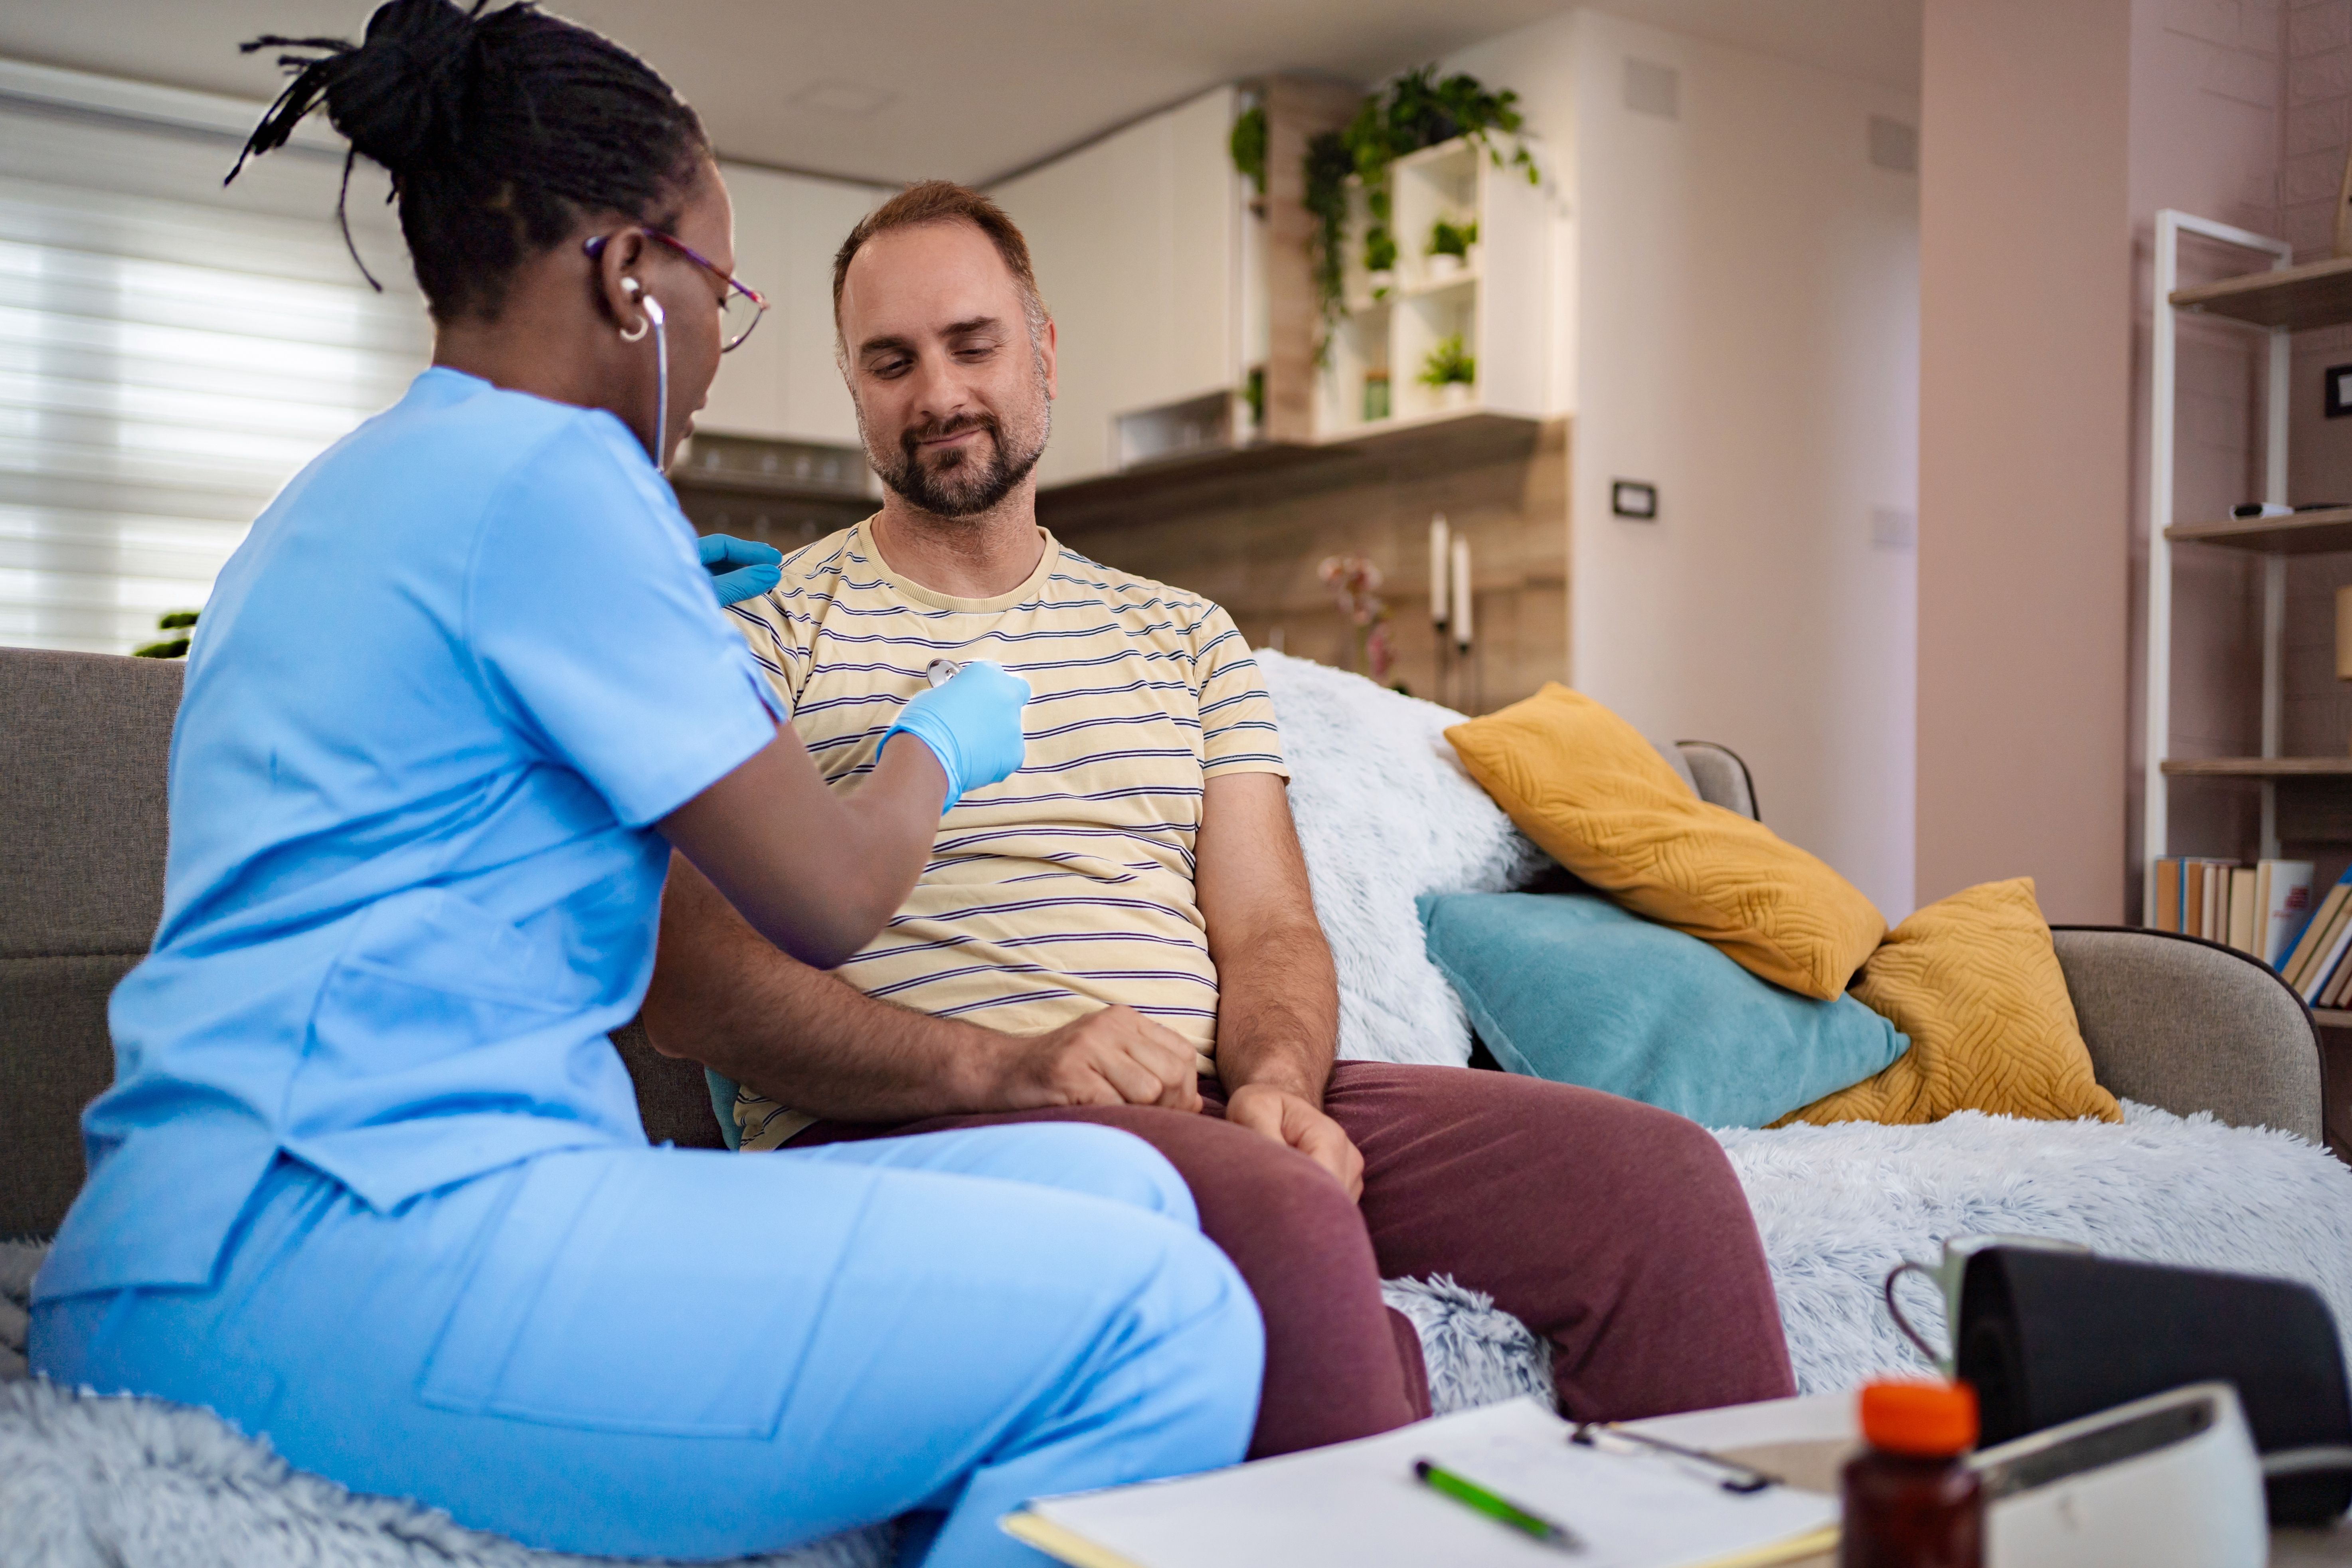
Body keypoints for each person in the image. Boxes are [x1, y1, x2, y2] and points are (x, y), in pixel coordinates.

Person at [27, 9, 1263, 1565]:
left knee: (1121, 1189)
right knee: (1173, 1317)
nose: (713, 347)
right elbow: (829, 896)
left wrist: (675, 631)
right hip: (346, 1248)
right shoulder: (564, 479)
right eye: (719, 293)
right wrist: (939, 739)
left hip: (176, 1245)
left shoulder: (343, 488)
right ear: (630, 276)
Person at [647, 180, 1799, 1461]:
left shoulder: (1185, 635)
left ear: (1043, 349)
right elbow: (692, 982)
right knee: (1280, 1225)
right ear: (853, 388)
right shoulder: (764, 628)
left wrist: (1278, 1088)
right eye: (891, 361)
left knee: (1658, 1183)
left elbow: (1270, 929)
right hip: (923, 1124)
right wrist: (1009, 1066)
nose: (939, 393)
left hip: (1204, 1106)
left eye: (974, 344)